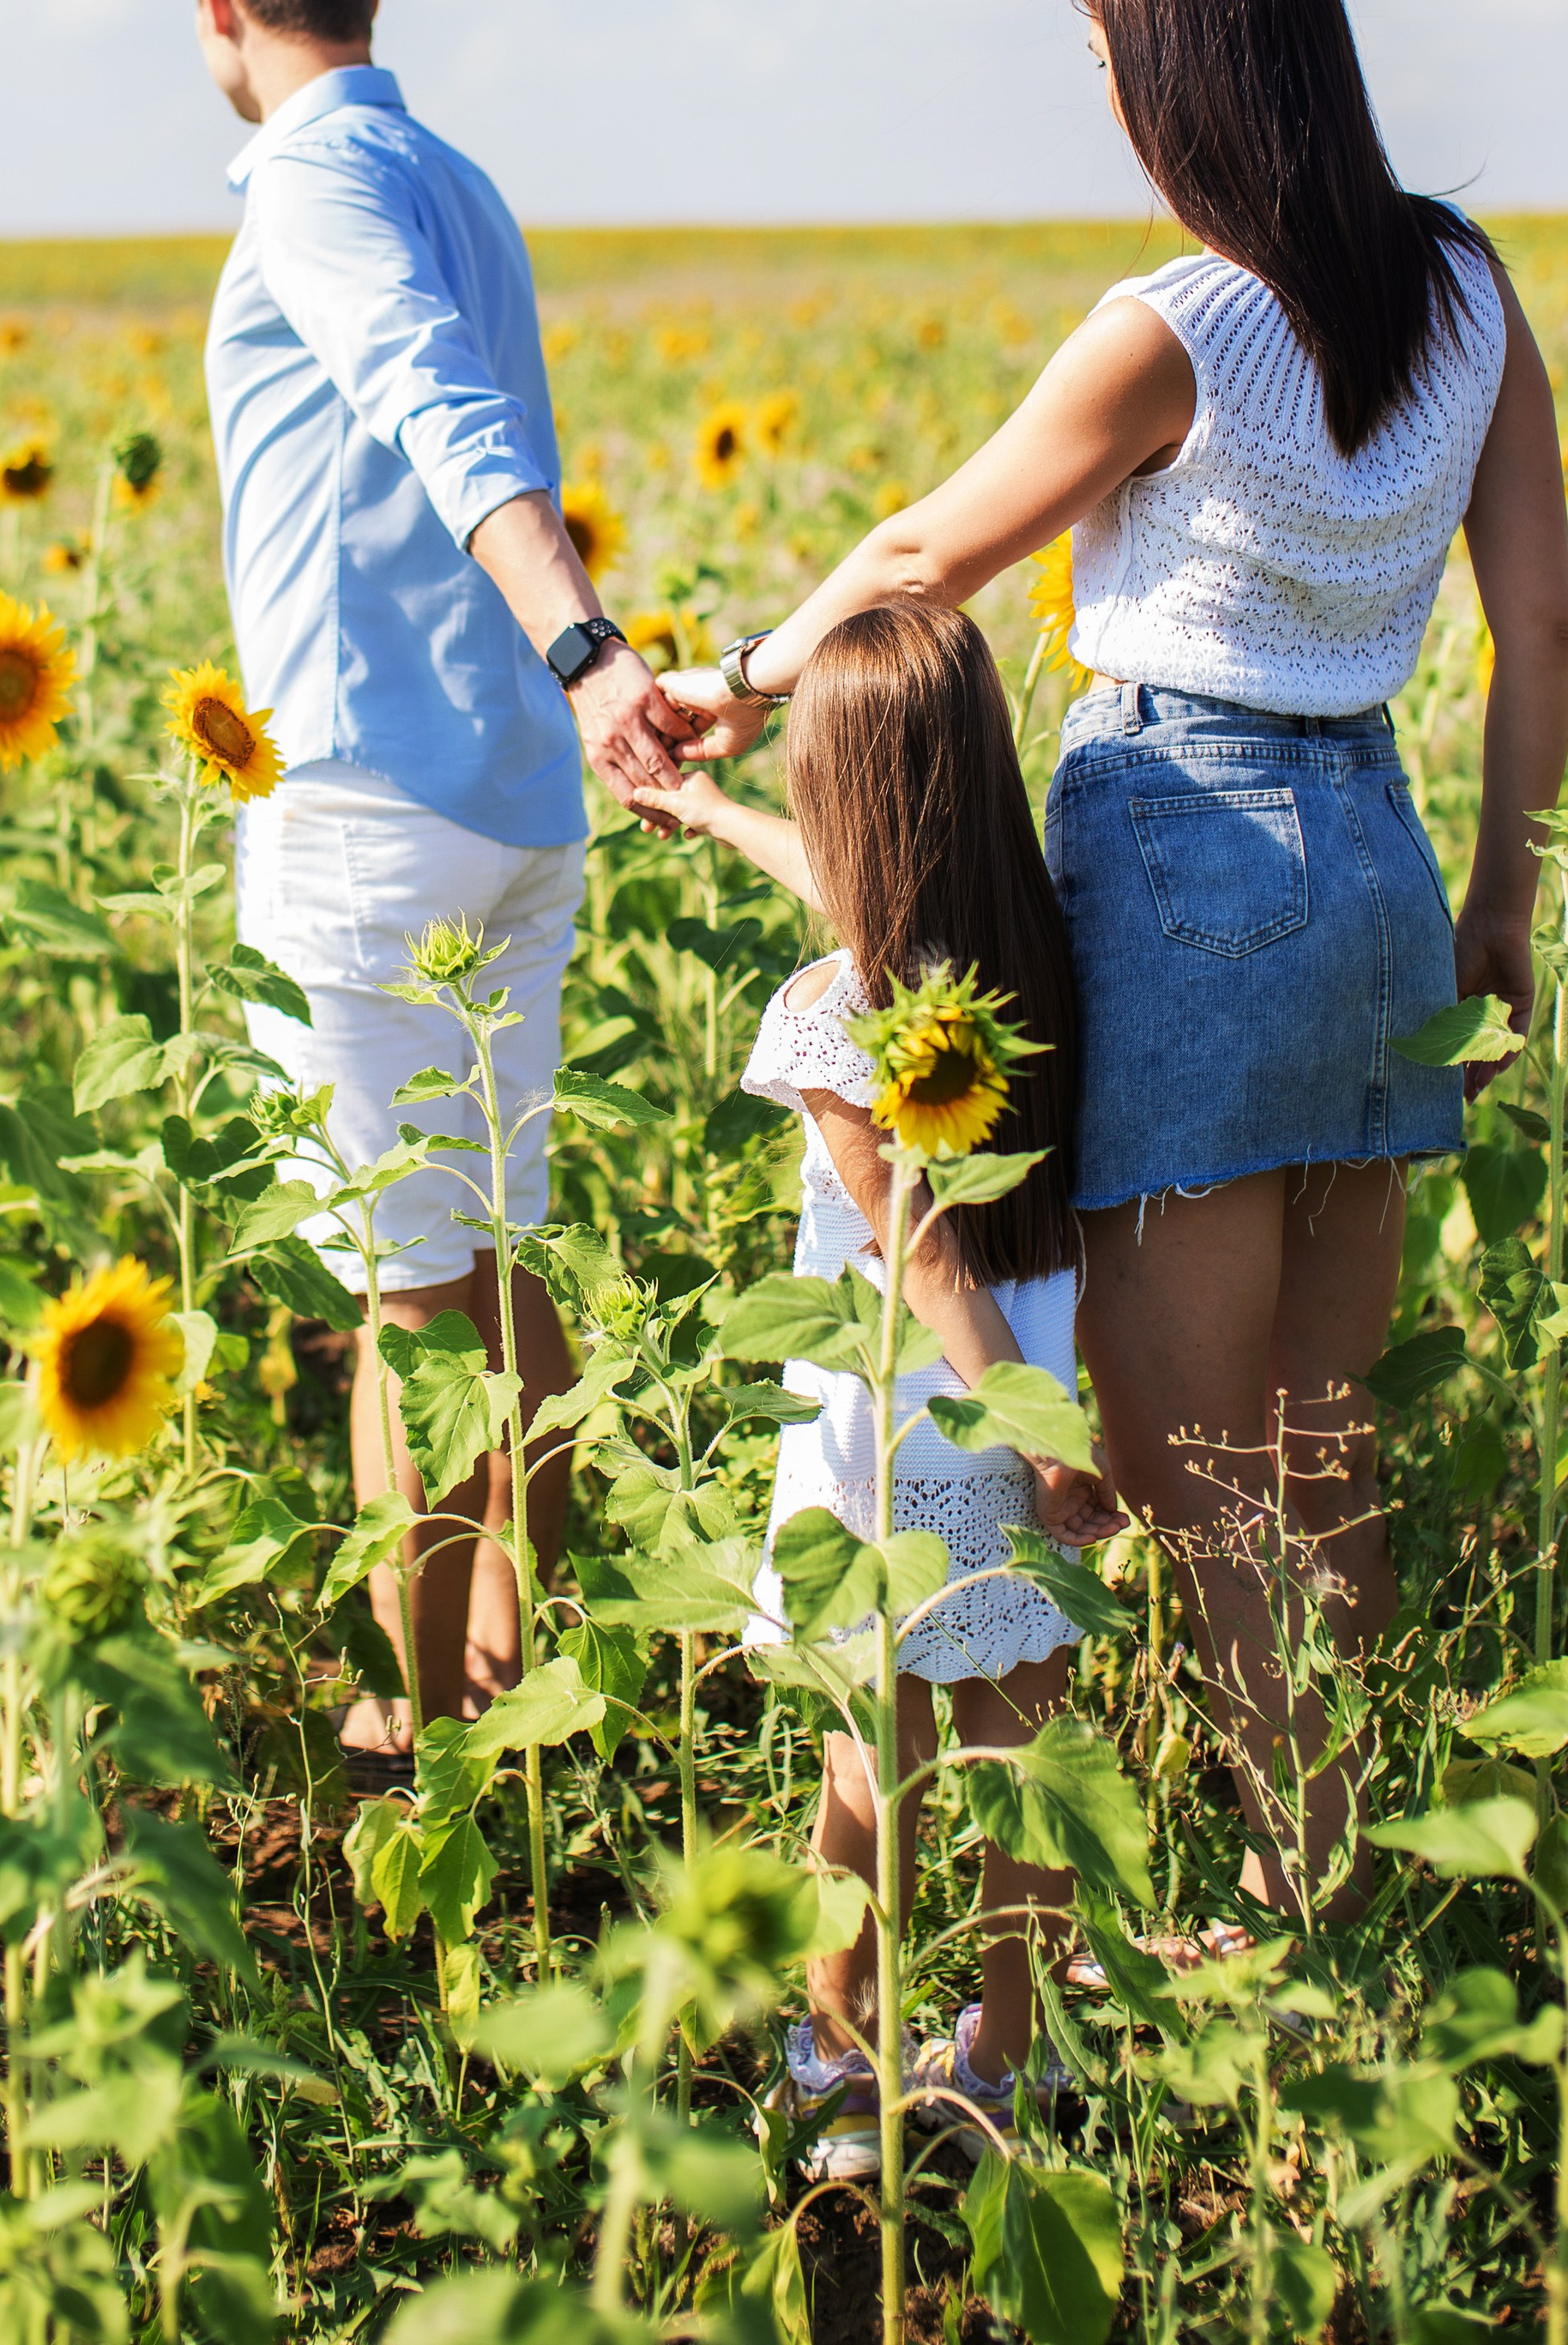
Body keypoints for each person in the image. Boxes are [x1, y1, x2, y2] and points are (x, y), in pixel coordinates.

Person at [647, 0, 1568, 1922]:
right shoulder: (1463, 295)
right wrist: (1499, 906)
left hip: (1187, 866)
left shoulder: (1173, 325)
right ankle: (1333, 1870)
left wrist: (728, 691)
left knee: (1170, 1471)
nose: (1097, 102)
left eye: (1100, 64)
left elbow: (914, 556)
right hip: (1381, 871)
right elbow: (1536, 626)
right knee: (1313, 1450)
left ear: (1178, 74)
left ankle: (1270, 1908)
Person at [193, 0, 691, 1775]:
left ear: (219, 11)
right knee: (490, 1259)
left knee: (408, 1298)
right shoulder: (456, 182)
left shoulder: (316, 180)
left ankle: (414, 1729)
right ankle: (519, 1675)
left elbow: (431, 407)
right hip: (500, 805)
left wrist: (585, 650)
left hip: (370, 794)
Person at [644, 600, 1122, 2178]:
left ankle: (839, 2053)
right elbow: (856, 890)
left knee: (874, 1758)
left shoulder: (832, 1009)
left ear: (838, 797)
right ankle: (1004, 2052)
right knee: (1020, 1752)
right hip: (1031, 1401)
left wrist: (1024, 1448)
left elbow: (915, 1258)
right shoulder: (1039, 951)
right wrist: (1054, 1439)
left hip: (903, 1432)